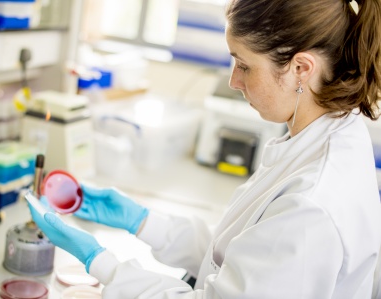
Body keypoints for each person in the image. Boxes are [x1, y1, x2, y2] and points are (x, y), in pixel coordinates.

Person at [28, 0, 381, 298]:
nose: (233, 80)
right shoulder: (320, 135)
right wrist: (143, 221)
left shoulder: (312, 202)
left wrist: (100, 262)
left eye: (244, 65)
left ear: (301, 68)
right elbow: (235, 255)